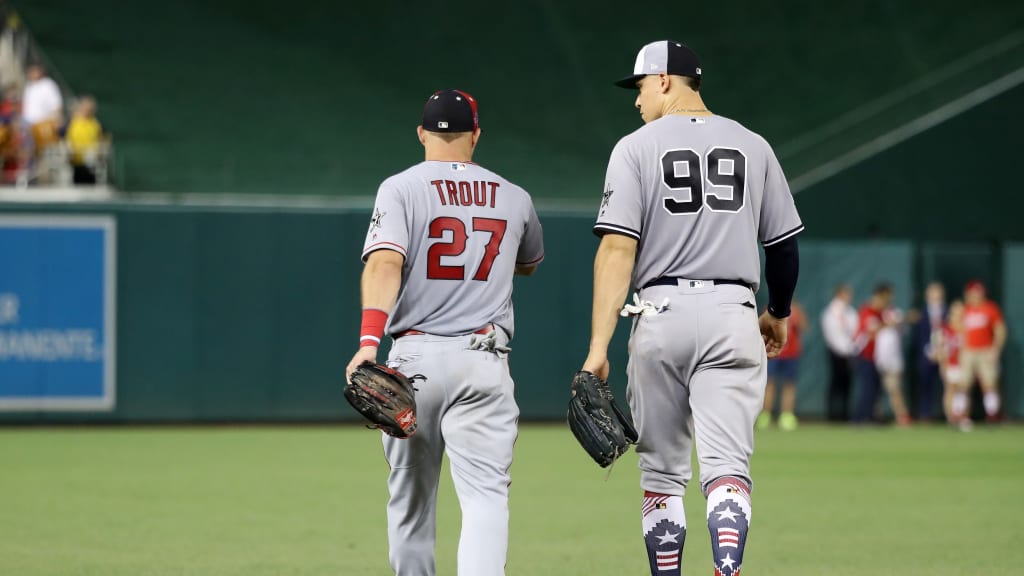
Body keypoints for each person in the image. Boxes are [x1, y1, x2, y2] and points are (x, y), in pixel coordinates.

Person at [580, 40, 802, 576]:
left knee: (661, 475)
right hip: (733, 312)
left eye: (640, 87)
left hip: (660, 312)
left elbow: (617, 250)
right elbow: (783, 246)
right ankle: (727, 567)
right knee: (727, 469)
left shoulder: (634, 148)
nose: (637, 100)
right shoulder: (753, 144)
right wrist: (777, 311)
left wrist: (598, 348)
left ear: (663, 80)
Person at [344, 90, 544, 576]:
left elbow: (385, 263)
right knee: (485, 497)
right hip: (483, 358)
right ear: (476, 134)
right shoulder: (514, 196)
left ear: (421, 134)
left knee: (410, 504)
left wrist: (368, 343)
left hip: (415, 363)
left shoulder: (399, 188)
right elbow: (529, 263)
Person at [853, 283, 900, 424]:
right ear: (878, 296)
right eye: (885, 298)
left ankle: (872, 417)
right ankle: (859, 418)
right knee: (868, 387)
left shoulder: (883, 313)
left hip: (878, 357)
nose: (887, 302)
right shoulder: (867, 310)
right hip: (864, 355)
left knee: (876, 389)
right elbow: (871, 332)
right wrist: (886, 325)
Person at [757, 298, 807, 431]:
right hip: (773, 351)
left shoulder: (796, 311)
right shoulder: (770, 308)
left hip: (791, 354)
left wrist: (798, 318)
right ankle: (765, 415)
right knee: (769, 384)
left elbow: (804, 327)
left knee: (789, 385)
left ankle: (786, 416)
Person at [960, 281, 1006, 423]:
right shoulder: (964, 309)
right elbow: (957, 329)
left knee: (989, 384)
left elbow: (1000, 329)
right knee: (964, 384)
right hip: (968, 350)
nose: (976, 295)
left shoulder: (990, 308)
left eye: (978, 292)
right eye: (973, 293)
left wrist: (996, 348)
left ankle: (992, 415)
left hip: (985, 350)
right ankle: (961, 415)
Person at [821, 284, 858, 421]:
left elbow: (855, 331)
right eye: (846, 294)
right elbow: (831, 335)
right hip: (836, 353)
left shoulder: (851, 312)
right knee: (835, 383)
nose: (849, 297)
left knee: (847, 384)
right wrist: (842, 351)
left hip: (850, 352)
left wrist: (851, 350)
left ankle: (845, 414)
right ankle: (832, 414)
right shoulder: (830, 312)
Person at [912, 282, 946, 420]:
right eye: (932, 292)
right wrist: (929, 351)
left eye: (937, 292)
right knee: (925, 385)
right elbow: (919, 336)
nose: (935, 295)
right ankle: (926, 414)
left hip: (945, 353)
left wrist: (942, 351)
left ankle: (949, 414)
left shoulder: (948, 312)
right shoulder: (921, 313)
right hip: (926, 354)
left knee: (948, 385)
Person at [874, 306, 912, 426]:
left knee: (895, 392)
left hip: (893, 368)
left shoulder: (896, 331)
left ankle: (902, 416)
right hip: (883, 368)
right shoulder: (883, 333)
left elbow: (903, 324)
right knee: (881, 394)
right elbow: (879, 352)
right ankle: (879, 417)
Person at [939, 300, 970, 430]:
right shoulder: (945, 329)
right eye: (955, 312)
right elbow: (941, 348)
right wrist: (943, 365)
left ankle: (963, 416)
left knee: (963, 390)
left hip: (964, 364)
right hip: (950, 363)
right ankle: (951, 417)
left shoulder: (967, 328)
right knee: (950, 389)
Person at [21, 64, 62, 157]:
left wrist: (56, 121)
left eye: (34, 71)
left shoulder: (48, 84)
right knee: (30, 152)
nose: (32, 74)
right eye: (31, 72)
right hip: (29, 124)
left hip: (44, 123)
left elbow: (56, 104)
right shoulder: (29, 86)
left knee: (47, 151)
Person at [65, 95, 103, 184]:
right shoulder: (73, 122)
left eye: (90, 109)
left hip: (91, 162)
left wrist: (97, 152)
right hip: (76, 162)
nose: (88, 111)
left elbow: (99, 139)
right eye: (86, 108)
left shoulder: (95, 124)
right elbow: (65, 140)